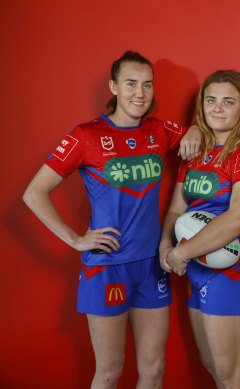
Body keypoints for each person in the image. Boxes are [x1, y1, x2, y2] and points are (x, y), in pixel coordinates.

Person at [22, 50, 200, 389]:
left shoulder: (159, 132)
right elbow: (34, 193)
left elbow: (201, 134)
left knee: (154, 368)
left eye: (147, 85)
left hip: (151, 265)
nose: (140, 93)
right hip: (108, 266)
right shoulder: (85, 136)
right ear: (113, 86)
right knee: (109, 371)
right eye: (131, 83)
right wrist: (76, 239)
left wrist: (193, 130)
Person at [159, 70, 240, 389]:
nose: (218, 108)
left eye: (228, 101)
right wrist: (166, 243)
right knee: (216, 369)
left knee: (234, 375)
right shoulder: (195, 152)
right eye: (211, 100)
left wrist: (181, 252)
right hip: (195, 269)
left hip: (235, 271)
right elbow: (178, 208)